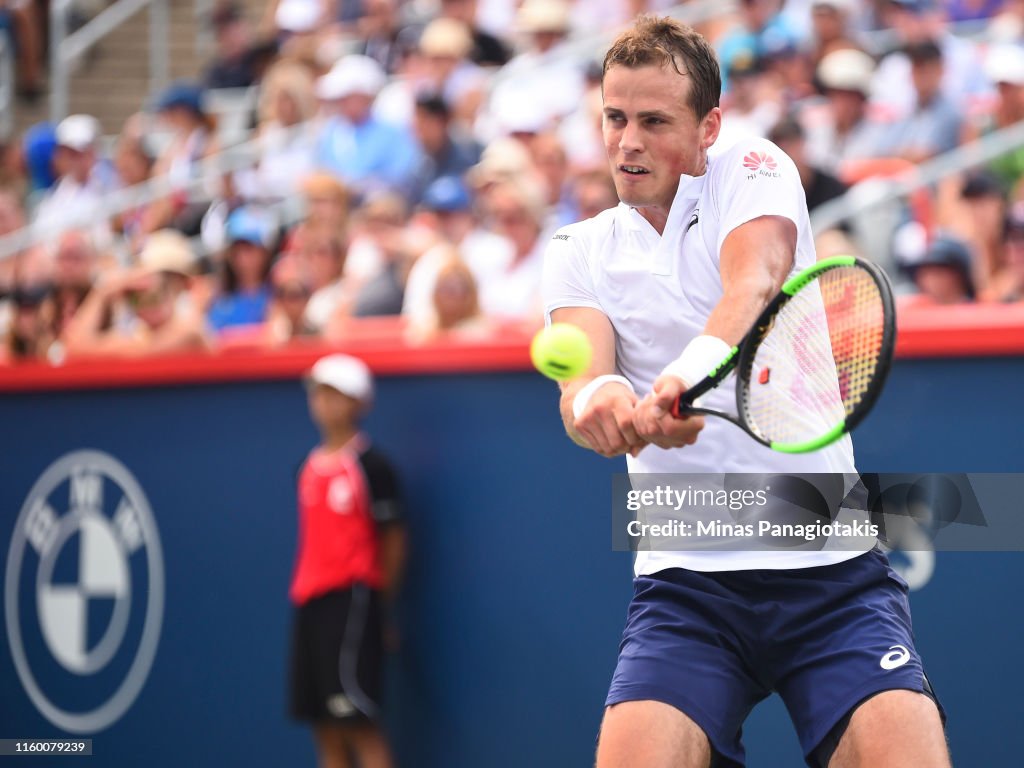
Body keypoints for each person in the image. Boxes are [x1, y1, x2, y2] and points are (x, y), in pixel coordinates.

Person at [541, 16, 949, 768]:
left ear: (709, 128)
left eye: (655, 121)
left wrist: (677, 382)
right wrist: (596, 406)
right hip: (684, 587)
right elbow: (585, 381)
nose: (628, 141)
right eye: (615, 117)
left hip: (831, 572)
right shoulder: (576, 249)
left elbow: (754, 284)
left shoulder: (754, 168)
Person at [289, 353, 406, 768]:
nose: (323, 403)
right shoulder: (307, 466)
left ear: (359, 403)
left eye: (334, 394)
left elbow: (393, 542)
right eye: (318, 394)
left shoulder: (373, 467)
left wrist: (380, 608)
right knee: (325, 726)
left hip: (353, 606)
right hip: (311, 604)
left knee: (360, 725)